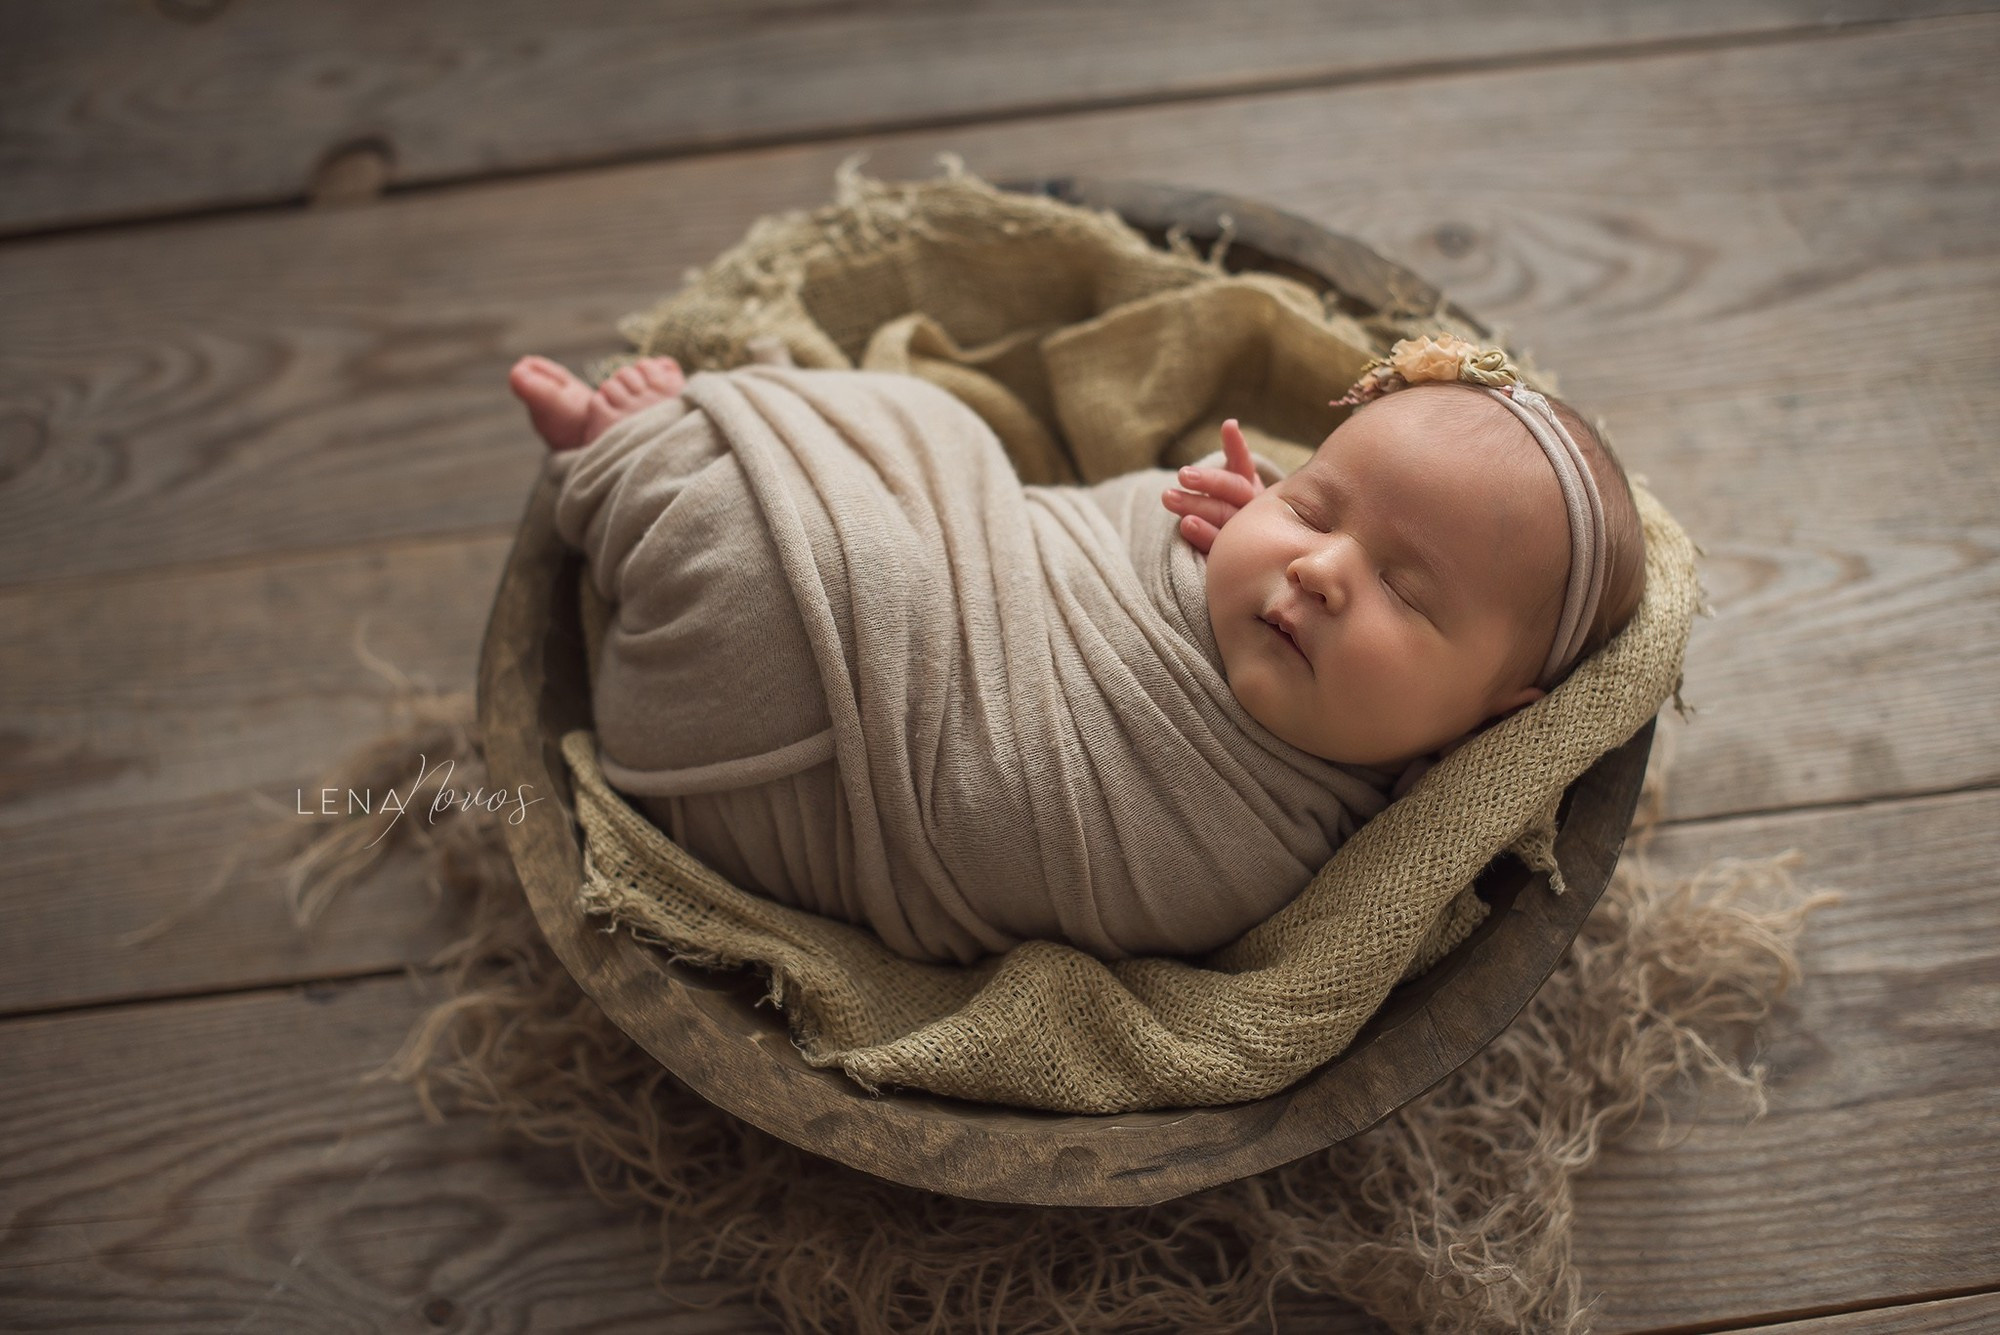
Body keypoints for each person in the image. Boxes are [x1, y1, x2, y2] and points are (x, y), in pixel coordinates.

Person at [504, 333, 1646, 961]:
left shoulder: (1361, 831)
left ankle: (640, 469)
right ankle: (693, 462)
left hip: (826, 785)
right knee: (943, 430)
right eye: (1312, 506)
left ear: (1496, 718)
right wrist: (1239, 519)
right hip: (939, 623)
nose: (1319, 572)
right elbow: (1055, 531)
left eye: (1405, 592)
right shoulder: (1251, 559)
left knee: (864, 567)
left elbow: (1011, 811)